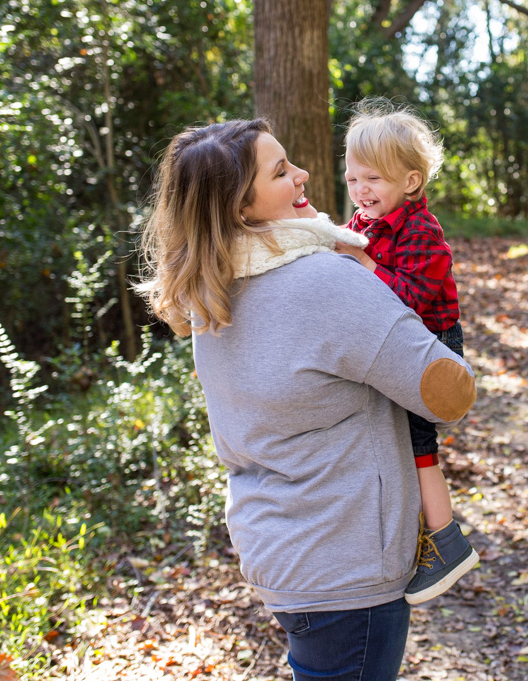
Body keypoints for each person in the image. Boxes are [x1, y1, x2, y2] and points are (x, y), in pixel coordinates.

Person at [136, 118, 477, 681]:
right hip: (347, 559)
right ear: (242, 208)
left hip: (278, 545)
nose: (304, 174)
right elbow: (448, 394)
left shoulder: (210, 288)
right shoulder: (326, 279)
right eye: (280, 171)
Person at [334, 100, 480, 605]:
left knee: (419, 448)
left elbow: (412, 300)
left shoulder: (423, 232)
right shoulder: (366, 222)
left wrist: (363, 264)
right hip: (392, 342)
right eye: (353, 179)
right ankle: (407, 531)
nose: (361, 191)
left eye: (373, 179)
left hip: (429, 348)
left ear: (411, 182)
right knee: (388, 438)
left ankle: (445, 541)